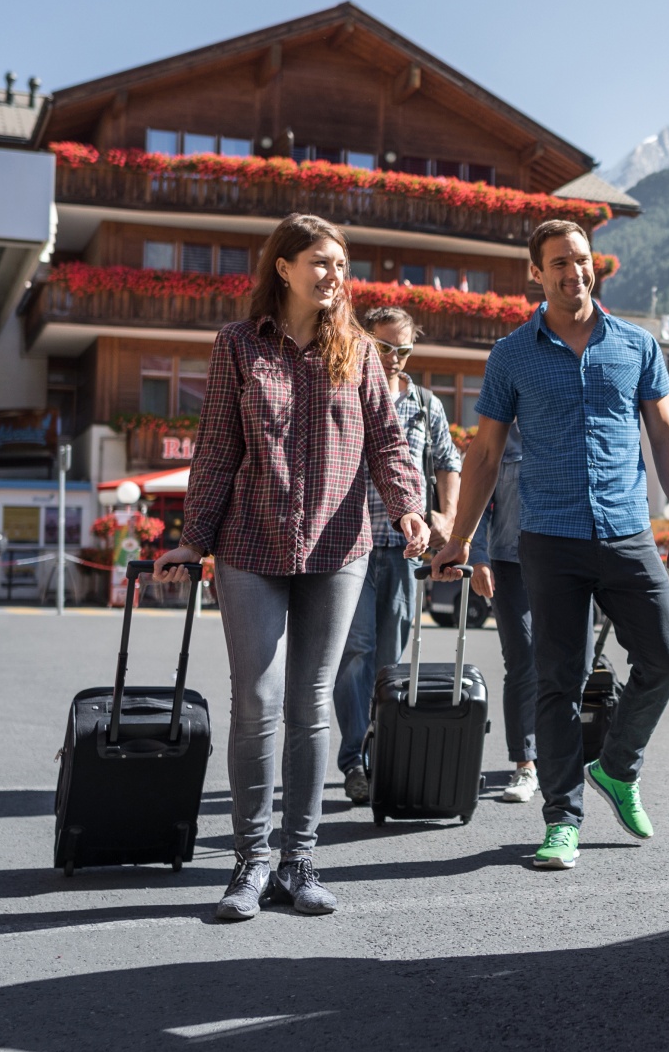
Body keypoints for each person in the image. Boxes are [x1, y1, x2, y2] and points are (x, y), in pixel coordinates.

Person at [156, 213, 428, 923]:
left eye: (341, 264)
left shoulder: (360, 351)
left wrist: (407, 506)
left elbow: (388, 441)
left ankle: (298, 861)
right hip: (249, 544)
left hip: (340, 547)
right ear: (284, 267)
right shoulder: (239, 346)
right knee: (258, 697)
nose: (334, 275)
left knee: (311, 703)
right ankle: (249, 862)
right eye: (320, 262)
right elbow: (216, 448)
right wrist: (194, 538)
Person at [432, 219, 669, 873]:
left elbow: (664, 435)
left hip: (628, 530)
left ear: (593, 266)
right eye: (559, 262)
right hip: (548, 537)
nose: (573, 271)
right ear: (536, 272)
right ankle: (562, 820)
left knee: (664, 656)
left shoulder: (636, 344)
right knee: (558, 681)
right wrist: (461, 539)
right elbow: (486, 452)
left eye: (581, 260)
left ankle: (618, 766)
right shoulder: (512, 354)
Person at [333, 305, 462, 805]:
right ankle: (354, 761)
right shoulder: (348, 390)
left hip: (405, 551)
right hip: (350, 545)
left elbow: (449, 462)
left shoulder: (427, 404)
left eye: (403, 349)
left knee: (391, 660)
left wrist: (446, 519)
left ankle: (382, 747)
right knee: (357, 652)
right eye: (385, 347)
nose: (394, 358)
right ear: (366, 342)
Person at [467, 430, 538, 802]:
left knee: (577, 663)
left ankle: (559, 756)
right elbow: (479, 502)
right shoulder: (500, 436)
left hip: (563, 561)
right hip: (508, 564)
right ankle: (525, 764)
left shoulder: (566, 425)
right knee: (523, 659)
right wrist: (477, 557)